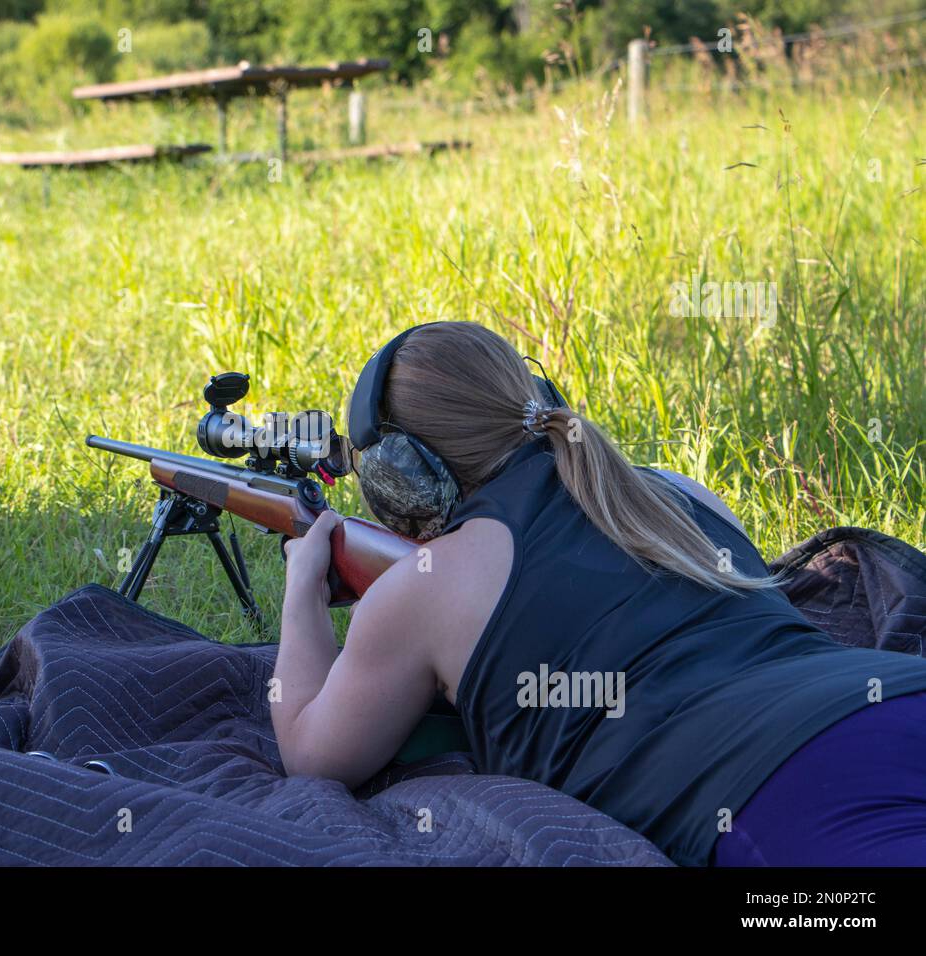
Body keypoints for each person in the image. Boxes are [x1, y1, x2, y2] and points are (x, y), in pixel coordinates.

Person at [272, 320, 926, 867]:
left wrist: (303, 586)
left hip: (780, 786)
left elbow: (311, 754)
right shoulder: (671, 493)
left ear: (399, 474)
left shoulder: (424, 588)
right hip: (894, 693)